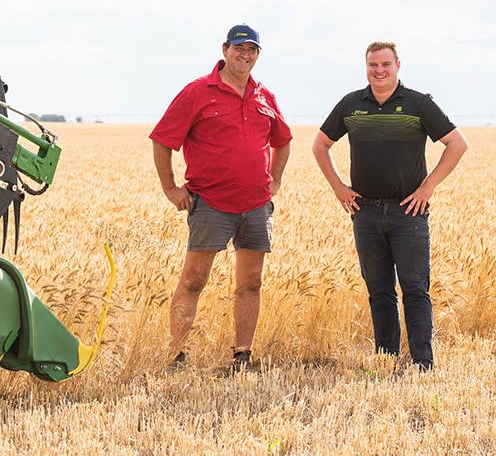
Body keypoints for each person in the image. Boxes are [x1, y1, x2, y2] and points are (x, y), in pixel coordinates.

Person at [311, 41, 467, 371]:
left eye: (385, 64)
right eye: (372, 65)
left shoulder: (418, 104)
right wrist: (339, 188)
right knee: (379, 290)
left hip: (407, 213)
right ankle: (386, 360)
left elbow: (457, 143)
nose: (378, 70)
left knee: (415, 289)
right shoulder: (351, 104)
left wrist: (427, 188)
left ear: (398, 65)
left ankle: (423, 363)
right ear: (365, 67)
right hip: (364, 212)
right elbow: (320, 145)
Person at [150, 23, 292, 374]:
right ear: (225, 49)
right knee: (194, 280)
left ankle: (242, 356)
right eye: (240, 48)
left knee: (250, 282)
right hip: (211, 203)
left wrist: (275, 180)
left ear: (258, 55)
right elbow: (162, 140)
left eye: (253, 50)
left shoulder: (264, 96)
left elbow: (283, 140)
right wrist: (170, 188)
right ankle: (176, 356)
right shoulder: (197, 92)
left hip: (256, 205)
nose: (246, 55)